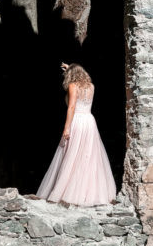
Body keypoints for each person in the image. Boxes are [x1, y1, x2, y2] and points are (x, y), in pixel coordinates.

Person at [36, 62, 117, 206]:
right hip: (89, 122)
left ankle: (68, 191)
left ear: (71, 76)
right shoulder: (91, 86)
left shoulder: (73, 86)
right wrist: (70, 68)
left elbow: (72, 107)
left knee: (71, 155)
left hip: (78, 121)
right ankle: (88, 193)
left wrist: (67, 127)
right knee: (88, 156)